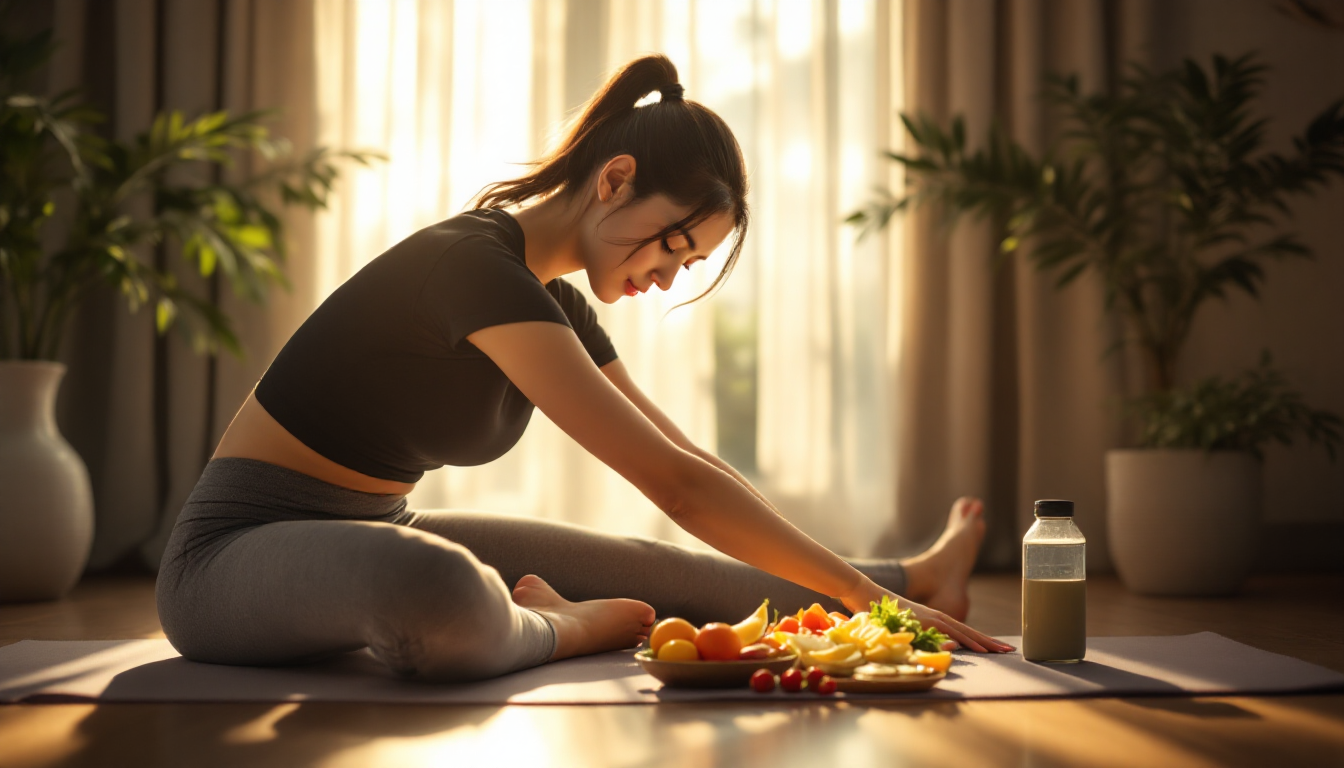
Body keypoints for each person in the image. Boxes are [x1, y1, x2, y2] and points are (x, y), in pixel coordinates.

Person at [156, 54, 1013, 683]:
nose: (674, 273)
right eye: (677, 242)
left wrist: (877, 595)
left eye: (693, 261)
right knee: (435, 584)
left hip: (376, 527)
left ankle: (920, 576)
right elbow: (675, 486)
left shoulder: (554, 300)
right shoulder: (471, 266)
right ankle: (566, 631)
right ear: (615, 179)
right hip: (229, 559)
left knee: (664, 570)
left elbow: (692, 471)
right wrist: (865, 602)